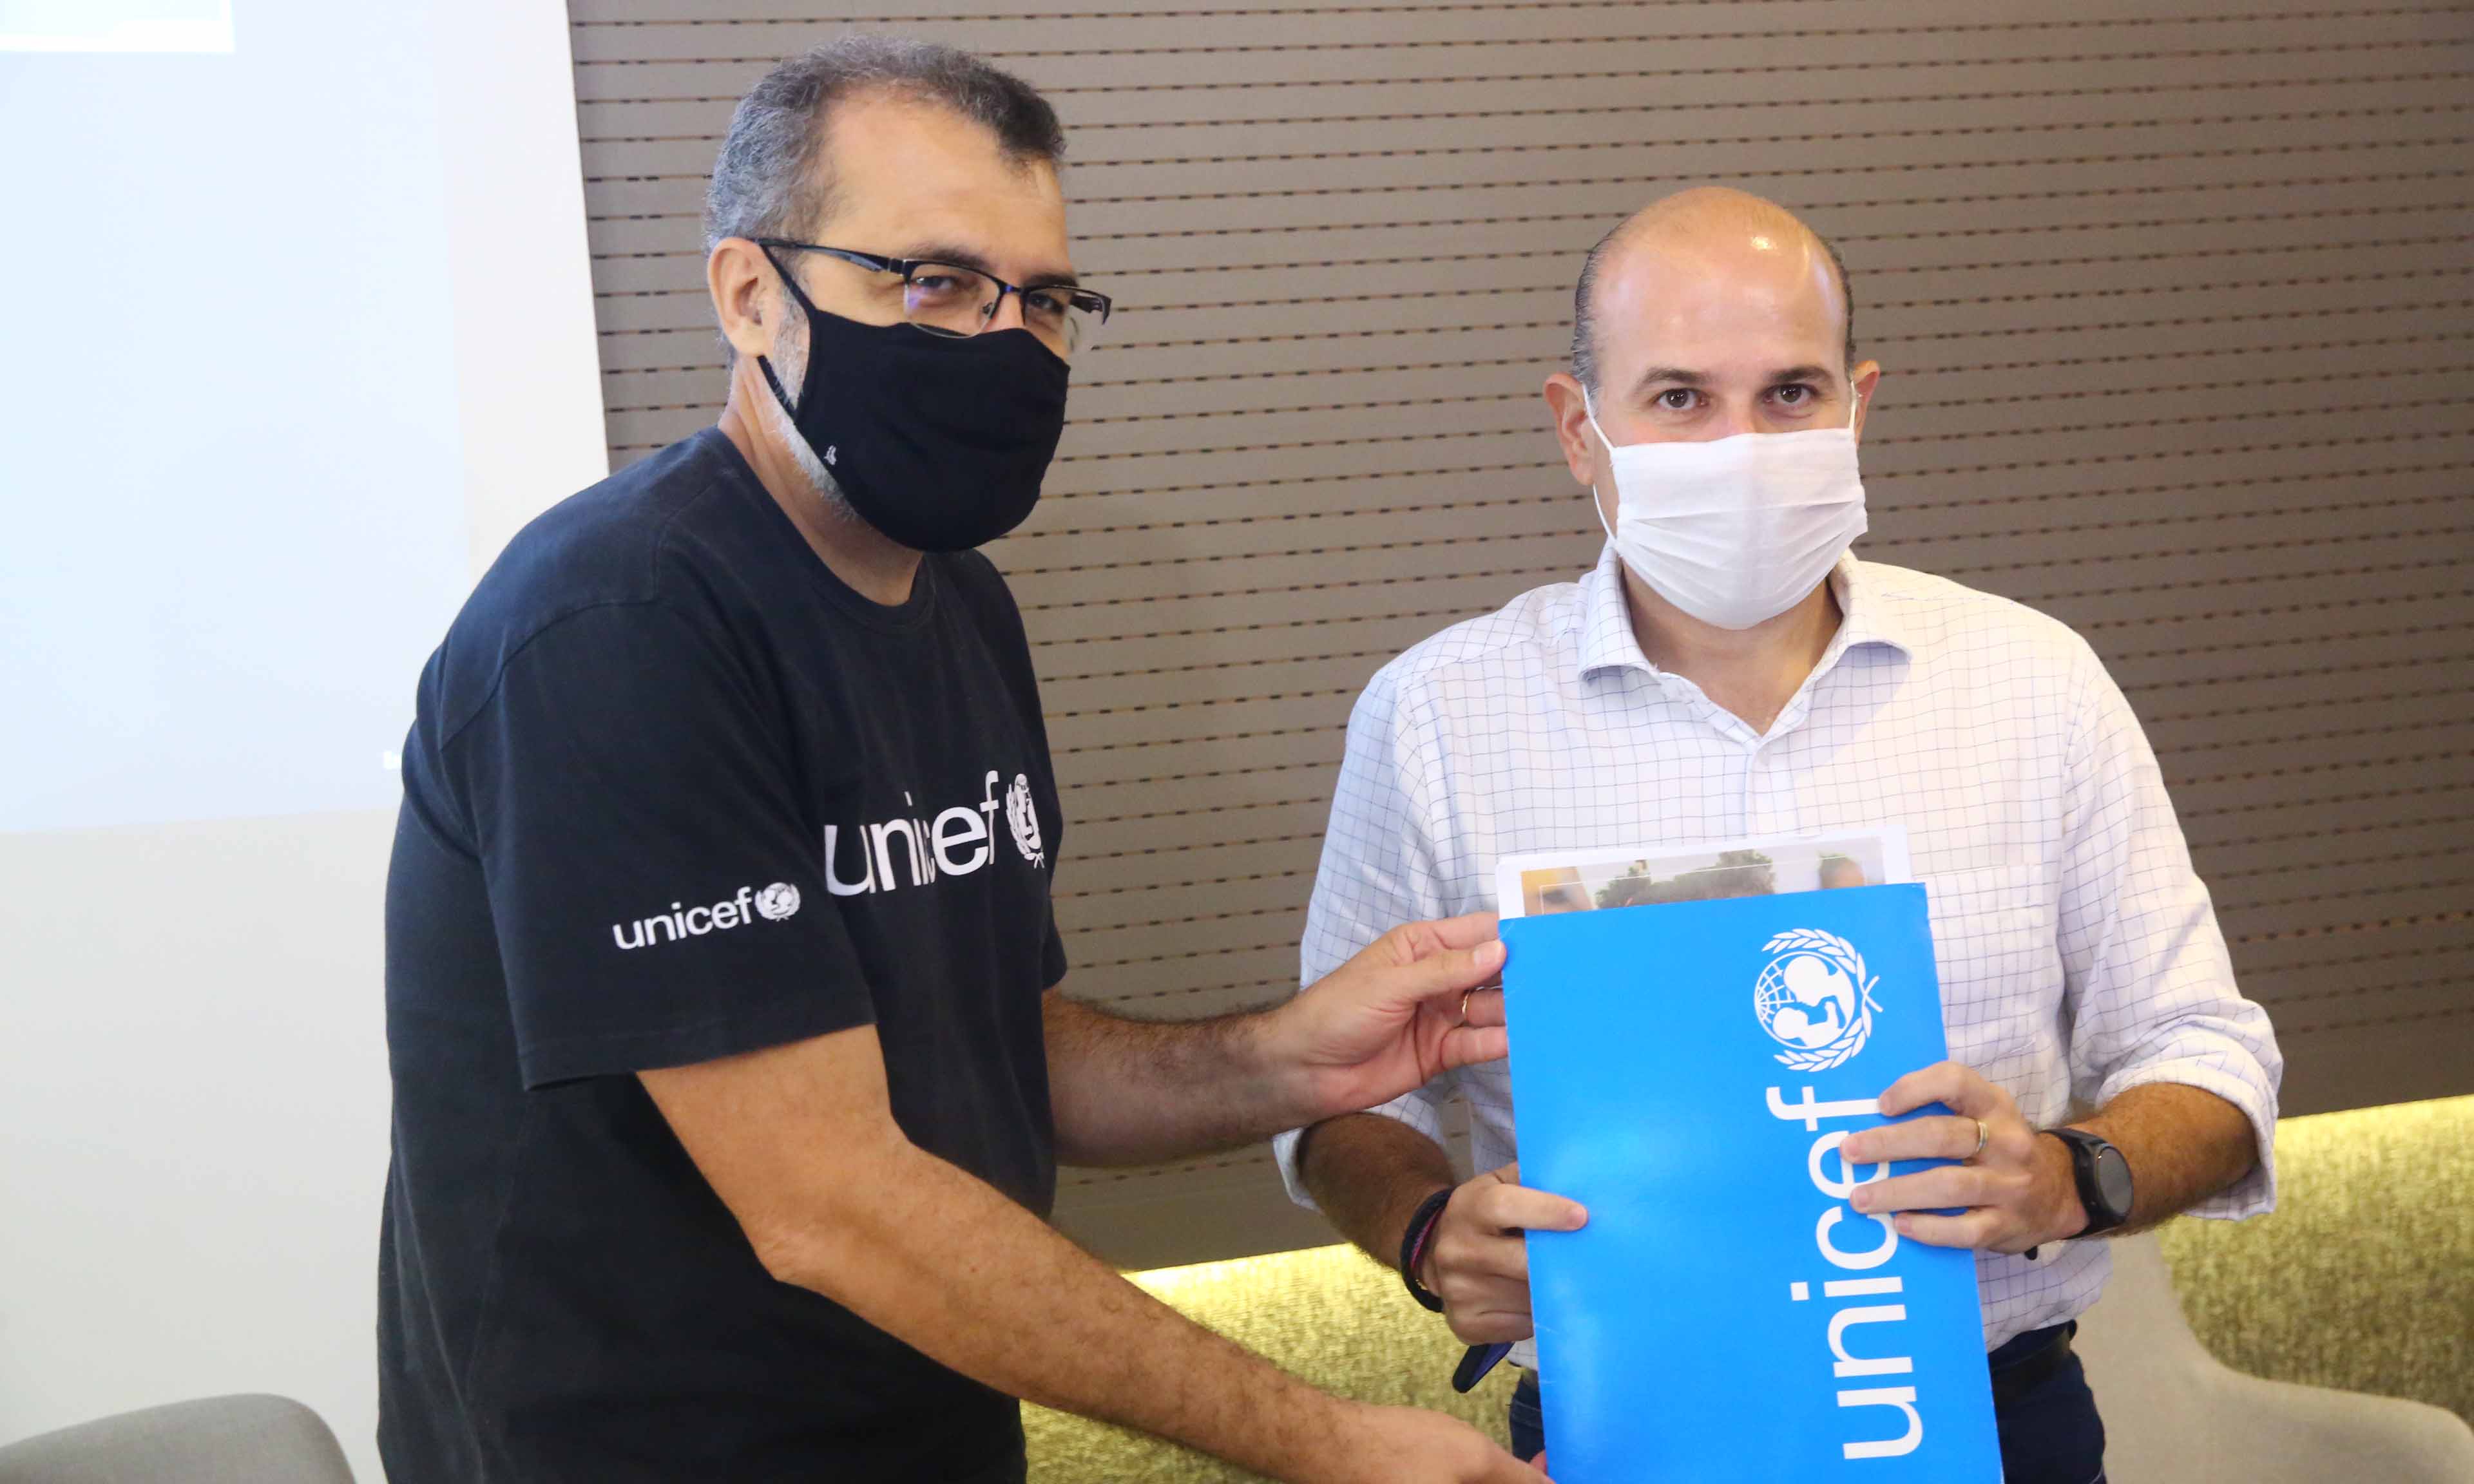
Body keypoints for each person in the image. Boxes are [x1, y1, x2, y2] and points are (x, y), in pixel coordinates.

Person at [379, 37, 1544, 1484]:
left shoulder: (953, 597)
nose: (1001, 341)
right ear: (753, 297)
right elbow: (830, 1200)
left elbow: (989, 1043)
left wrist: (1288, 1061)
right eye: (929, 282)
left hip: (928, 1428)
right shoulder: (620, 626)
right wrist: (1325, 1440)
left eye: (1042, 299)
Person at [1275, 187, 2283, 1484]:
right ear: (1579, 430)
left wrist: (2069, 1177)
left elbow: (2208, 1052)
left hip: (1996, 1417)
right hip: (1619, 1424)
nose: (1742, 443)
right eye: (1681, 399)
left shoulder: (2034, 679)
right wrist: (1423, 1230)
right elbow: (1336, 1098)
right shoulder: (1437, 717)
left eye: (1792, 395)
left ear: (1859, 404)